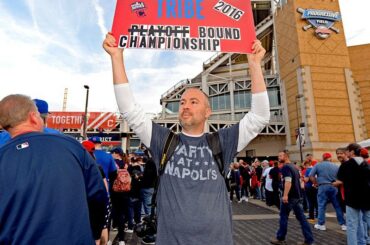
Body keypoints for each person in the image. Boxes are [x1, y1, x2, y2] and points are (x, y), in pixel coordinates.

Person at [103, 33, 270, 245]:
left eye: (193, 102)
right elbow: (130, 110)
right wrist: (116, 57)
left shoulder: (222, 142)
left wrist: (254, 65)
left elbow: (260, 116)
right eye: (182, 102)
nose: (186, 106)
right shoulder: (164, 140)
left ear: (208, 112)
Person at [0, 94, 108, 244]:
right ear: (33, 117)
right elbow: (98, 195)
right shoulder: (71, 146)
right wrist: (96, 232)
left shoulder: (3, 154)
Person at [270, 150, 314, 245]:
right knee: (302, 219)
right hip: (297, 196)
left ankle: (280, 238)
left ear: (286, 156)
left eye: (280, 156)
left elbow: (288, 181)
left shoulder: (286, 167)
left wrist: (285, 195)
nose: (278, 157)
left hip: (290, 197)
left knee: (284, 217)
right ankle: (309, 240)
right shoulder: (294, 167)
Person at [334, 143, 370, 245]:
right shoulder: (366, 164)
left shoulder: (346, 165)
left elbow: (339, 181)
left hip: (352, 199)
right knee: (366, 221)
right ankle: (363, 241)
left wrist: (334, 183)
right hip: (367, 198)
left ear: (352, 152)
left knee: (352, 225)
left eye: (347, 151)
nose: (346, 153)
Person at [309, 152, 346, 231]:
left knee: (321, 206)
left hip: (322, 186)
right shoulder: (336, 166)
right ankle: (343, 224)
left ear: (323, 158)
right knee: (337, 206)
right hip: (334, 186)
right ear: (330, 158)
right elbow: (340, 177)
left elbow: (311, 175)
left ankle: (321, 224)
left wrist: (315, 183)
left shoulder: (318, 165)